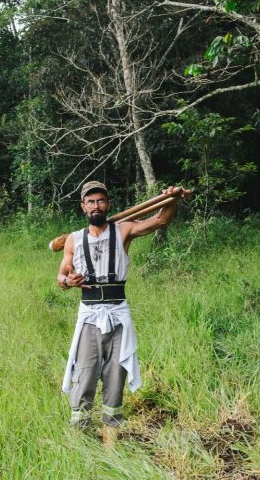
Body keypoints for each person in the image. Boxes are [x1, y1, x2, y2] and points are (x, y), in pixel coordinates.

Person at [57, 181, 189, 446]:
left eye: (101, 201)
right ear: (84, 207)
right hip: (89, 316)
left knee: (116, 376)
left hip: (118, 314)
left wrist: (171, 199)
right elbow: (61, 274)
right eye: (91, 202)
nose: (96, 206)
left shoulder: (124, 230)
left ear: (108, 204)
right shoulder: (73, 239)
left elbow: (161, 220)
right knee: (84, 374)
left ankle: (110, 446)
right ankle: (79, 441)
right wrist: (67, 281)